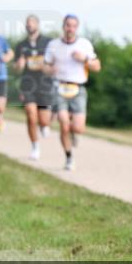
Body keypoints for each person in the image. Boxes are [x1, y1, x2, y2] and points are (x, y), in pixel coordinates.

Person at [44, 14, 101, 171]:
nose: (70, 29)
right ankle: (69, 157)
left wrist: (84, 59)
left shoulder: (84, 44)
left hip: (78, 88)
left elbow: (97, 67)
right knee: (63, 122)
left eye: (73, 26)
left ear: (77, 28)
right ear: (63, 26)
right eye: (68, 25)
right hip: (60, 87)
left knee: (78, 128)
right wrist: (50, 69)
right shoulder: (53, 45)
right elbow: (45, 66)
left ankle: (75, 132)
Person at [14, 14, 55, 160]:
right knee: (31, 115)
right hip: (27, 84)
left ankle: (45, 124)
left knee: (43, 120)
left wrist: (47, 67)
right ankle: (35, 146)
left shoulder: (48, 42)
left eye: (31, 22)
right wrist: (19, 65)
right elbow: (16, 69)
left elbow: (54, 65)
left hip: (44, 84)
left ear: (38, 24)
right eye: (27, 23)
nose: (29, 25)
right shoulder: (20, 45)